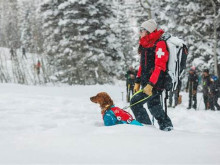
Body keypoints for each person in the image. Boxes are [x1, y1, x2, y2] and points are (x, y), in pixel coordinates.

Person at [130, 19, 173, 131]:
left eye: (142, 30)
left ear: (148, 31)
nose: (140, 32)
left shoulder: (160, 44)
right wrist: (138, 81)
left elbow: (160, 66)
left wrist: (151, 84)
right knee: (153, 106)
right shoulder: (145, 44)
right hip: (147, 82)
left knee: (135, 102)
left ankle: (146, 128)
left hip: (155, 83)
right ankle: (166, 126)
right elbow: (142, 66)